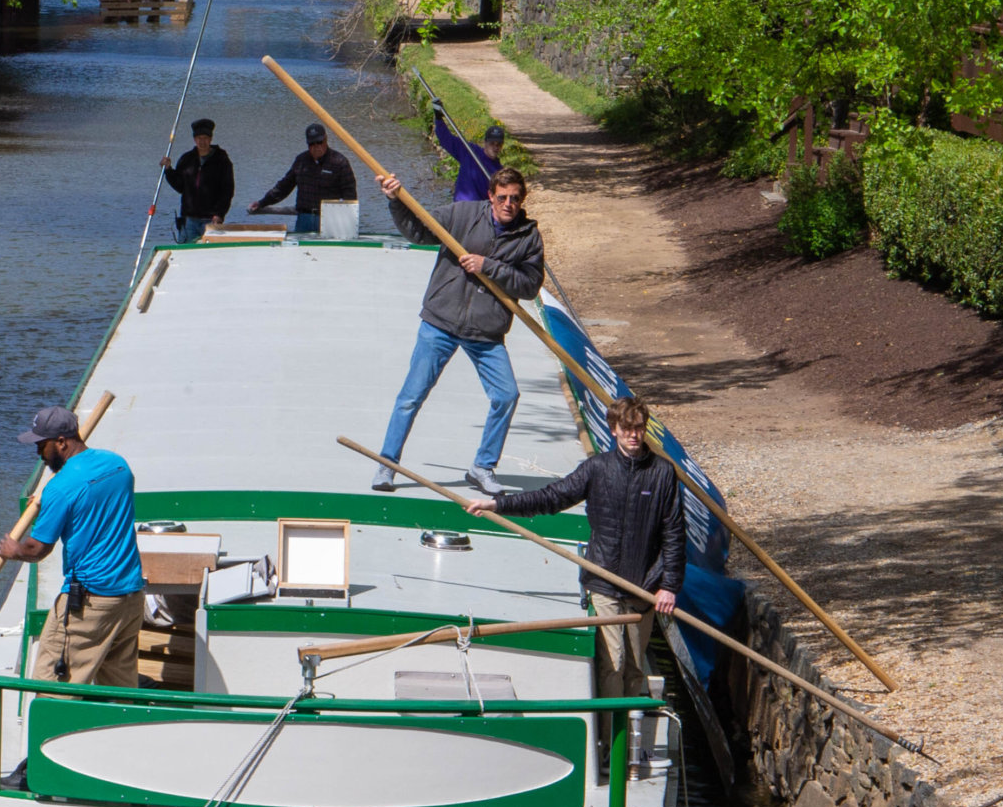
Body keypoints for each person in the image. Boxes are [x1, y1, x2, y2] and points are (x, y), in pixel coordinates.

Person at [466, 394, 683, 671]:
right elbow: (551, 498)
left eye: (639, 428)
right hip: (603, 581)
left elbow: (674, 533)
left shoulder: (663, 473)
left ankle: (628, 712)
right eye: (627, 428)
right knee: (613, 664)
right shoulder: (597, 468)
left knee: (635, 669)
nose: (634, 435)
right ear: (613, 429)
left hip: (643, 587)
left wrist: (669, 587)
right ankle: (607, 713)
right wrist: (497, 504)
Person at [370, 161, 545, 493]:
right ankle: (387, 465)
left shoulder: (528, 237)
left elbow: (530, 285)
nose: (509, 205)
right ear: (490, 196)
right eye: (503, 197)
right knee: (411, 396)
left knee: (506, 395)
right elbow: (418, 230)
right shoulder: (463, 215)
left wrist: (487, 266)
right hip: (441, 321)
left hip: (486, 333)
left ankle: (482, 467)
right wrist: (395, 201)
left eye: (516, 199)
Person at [0, 405, 145, 685]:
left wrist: (14, 550)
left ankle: (49, 729)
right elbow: (91, 506)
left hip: (91, 603)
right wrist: (49, 507)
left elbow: (37, 549)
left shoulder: (60, 488)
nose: (38, 454)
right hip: (130, 597)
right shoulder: (118, 465)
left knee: (53, 683)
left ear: (61, 442)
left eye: (42, 445)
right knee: (120, 688)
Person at [246, 124, 359, 233]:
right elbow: (283, 187)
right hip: (304, 218)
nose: (316, 147)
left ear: (326, 140)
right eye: (312, 144)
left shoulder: (339, 162)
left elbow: (350, 196)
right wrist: (262, 203)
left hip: (330, 219)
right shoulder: (301, 161)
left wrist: (347, 225)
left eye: (319, 142)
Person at [161, 119, 234, 243]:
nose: (202, 142)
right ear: (194, 139)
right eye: (199, 138)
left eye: (205, 138)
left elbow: (227, 191)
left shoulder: (222, 160)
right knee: (187, 254)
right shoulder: (186, 159)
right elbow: (180, 187)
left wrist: (219, 214)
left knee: (210, 256)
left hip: (211, 219)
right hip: (189, 219)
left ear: (210, 139)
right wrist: (168, 170)